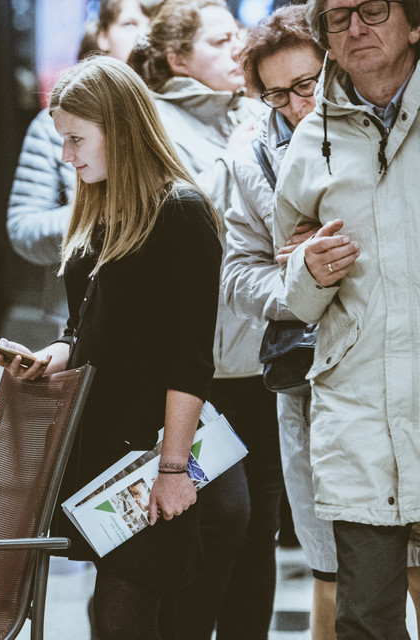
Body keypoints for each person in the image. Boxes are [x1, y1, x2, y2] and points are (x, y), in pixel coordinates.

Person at [0, 56, 221, 640]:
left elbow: (191, 355)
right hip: (103, 449)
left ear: (120, 128)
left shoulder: (179, 211)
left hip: (153, 453)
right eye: (62, 141)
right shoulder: (99, 210)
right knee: (113, 615)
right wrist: (53, 356)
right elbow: (88, 329)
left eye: (76, 140)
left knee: (127, 616)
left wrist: (173, 467)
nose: (67, 157)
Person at [129, 2, 278, 636]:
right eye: (219, 40)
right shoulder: (156, 123)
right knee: (205, 534)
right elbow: (190, 227)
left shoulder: (257, 111)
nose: (237, 48)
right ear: (177, 59)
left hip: (260, 360)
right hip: (199, 370)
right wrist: (237, 156)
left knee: (260, 535)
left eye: (237, 35)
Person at [273, 0, 420, 635]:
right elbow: (295, 300)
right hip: (360, 415)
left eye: (372, 10)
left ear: (414, 24)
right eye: (338, 19)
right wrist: (310, 271)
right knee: (364, 620)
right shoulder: (310, 141)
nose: (354, 28)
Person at [222, 7, 336, 637]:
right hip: (308, 375)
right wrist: (299, 276)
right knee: (329, 564)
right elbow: (239, 275)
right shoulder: (251, 154)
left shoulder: (384, 126)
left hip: (394, 369)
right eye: (276, 93)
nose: (296, 104)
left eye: (307, 83)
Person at [7, 2, 157, 336]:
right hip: (82, 310)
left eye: (156, 21)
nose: (146, 34)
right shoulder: (54, 123)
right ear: (102, 34)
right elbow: (23, 228)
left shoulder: (177, 113)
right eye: (130, 24)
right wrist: (101, 214)